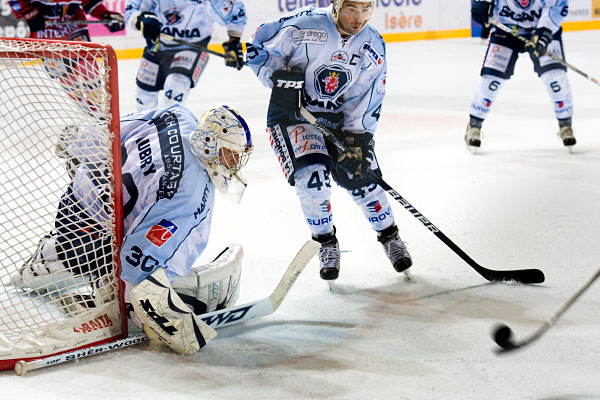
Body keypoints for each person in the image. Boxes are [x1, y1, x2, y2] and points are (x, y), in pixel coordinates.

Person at [11, 104, 254, 354]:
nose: (234, 164)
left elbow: (113, 131)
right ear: (208, 143)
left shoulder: (177, 115)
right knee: (137, 275)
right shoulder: (192, 191)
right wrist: (133, 307)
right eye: (230, 154)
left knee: (81, 242)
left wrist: (79, 145)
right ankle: (106, 288)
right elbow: (140, 256)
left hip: (73, 206)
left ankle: (51, 257)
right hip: (101, 242)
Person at [245, 0, 412, 281]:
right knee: (313, 178)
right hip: (293, 115)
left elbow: (366, 95)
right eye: (351, 9)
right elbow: (258, 47)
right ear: (336, 6)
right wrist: (279, 81)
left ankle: (390, 236)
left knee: (363, 178)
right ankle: (326, 242)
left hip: (337, 119)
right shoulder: (305, 24)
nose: (358, 18)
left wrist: (358, 137)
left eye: (365, 10)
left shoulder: (372, 43)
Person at [466, 0, 575, 150]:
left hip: (540, 30)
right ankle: (474, 126)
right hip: (506, 29)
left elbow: (556, 5)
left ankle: (565, 125)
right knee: (491, 81)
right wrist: (482, 2)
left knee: (555, 77)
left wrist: (543, 33)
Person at [124, 0, 247, 110]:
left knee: (176, 85)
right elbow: (132, 10)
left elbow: (235, 12)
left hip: (192, 47)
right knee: (144, 98)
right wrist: (140, 19)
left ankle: (167, 130)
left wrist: (233, 42)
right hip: (157, 46)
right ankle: (145, 130)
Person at [8, 0, 124, 41]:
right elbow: (15, 2)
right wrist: (30, 14)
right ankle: (79, 97)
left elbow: (91, 4)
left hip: (74, 29)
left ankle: (93, 96)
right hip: (46, 33)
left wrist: (106, 16)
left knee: (89, 72)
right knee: (68, 80)